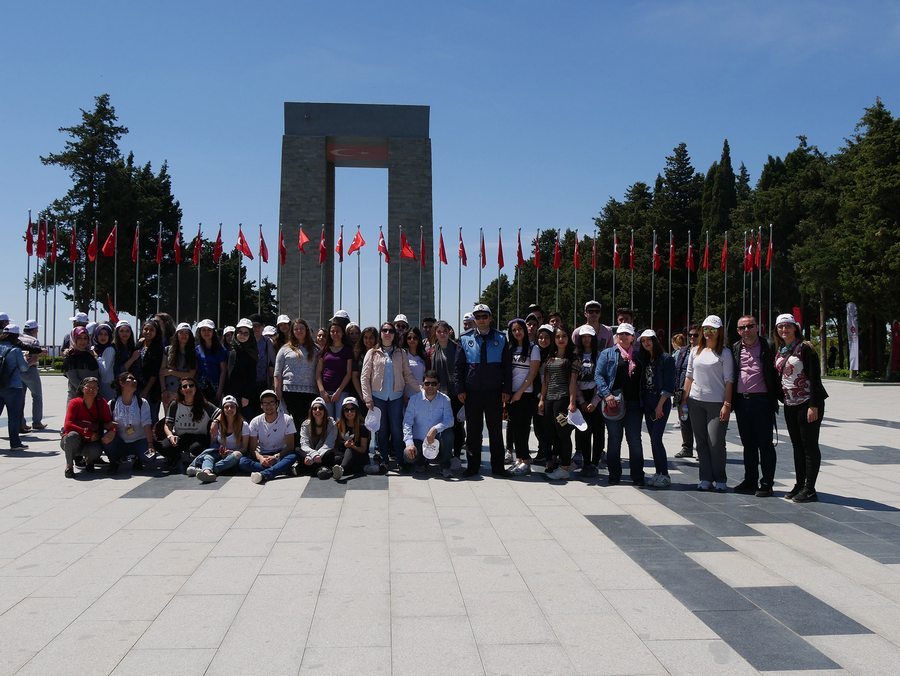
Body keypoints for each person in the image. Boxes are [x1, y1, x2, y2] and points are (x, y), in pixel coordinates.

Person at [774, 313, 828, 503]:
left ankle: (810, 488)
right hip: (790, 404)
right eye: (780, 327)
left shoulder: (805, 348)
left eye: (787, 326)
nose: (784, 330)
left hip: (808, 403)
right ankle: (800, 483)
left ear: (795, 328)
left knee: (809, 445)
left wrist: (813, 405)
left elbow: (815, 378)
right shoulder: (781, 349)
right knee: (797, 446)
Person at [455, 304, 512, 478]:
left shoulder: (501, 338)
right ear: (474, 319)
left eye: (484, 316)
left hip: (494, 392)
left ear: (490, 318)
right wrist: (460, 389)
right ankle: (473, 467)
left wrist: (506, 390)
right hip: (472, 392)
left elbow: (507, 367)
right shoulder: (465, 338)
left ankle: (498, 467)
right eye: (478, 317)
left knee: (495, 430)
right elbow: (459, 367)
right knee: (473, 431)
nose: (481, 320)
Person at [682, 315, 734, 492]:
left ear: (719, 332)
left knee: (716, 442)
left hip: (716, 403)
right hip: (695, 401)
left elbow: (729, 381)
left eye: (712, 329)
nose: (708, 333)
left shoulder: (725, 353)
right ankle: (705, 477)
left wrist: (727, 404)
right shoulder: (695, 351)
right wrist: (683, 400)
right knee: (701, 441)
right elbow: (689, 376)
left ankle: (720, 477)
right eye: (706, 329)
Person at [731, 315, 780, 497]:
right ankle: (750, 480)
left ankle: (767, 482)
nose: (746, 330)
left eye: (750, 326)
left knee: (765, 444)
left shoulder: (768, 346)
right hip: (742, 401)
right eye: (742, 328)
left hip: (762, 401)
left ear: (757, 327)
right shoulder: (735, 348)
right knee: (747, 444)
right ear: (738, 331)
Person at [361, 322, 419, 471]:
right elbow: (365, 376)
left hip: (396, 397)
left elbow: (407, 375)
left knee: (397, 429)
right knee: (382, 430)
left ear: (394, 334)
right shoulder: (372, 353)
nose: (387, 333)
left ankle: (400, 460)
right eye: (384, 330)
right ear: (380, 334)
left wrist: (421, 389)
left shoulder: (401, 353)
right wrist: (367, 398)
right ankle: (384, 460)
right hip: (378, 397)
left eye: (391, 331)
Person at [595, 323, 645, 486]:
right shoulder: (607, 353)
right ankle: (614, 474)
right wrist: (606, 394)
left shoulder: (638, 355)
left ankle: (637, 475)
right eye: (620, 334)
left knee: (635, 440)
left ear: (633, 338)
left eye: (627, 334)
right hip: (614, 401)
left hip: (634, 403)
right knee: (614, 439)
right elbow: (599, 375)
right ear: (616, 336)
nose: (623, 337)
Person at [539, 327, 578, 481]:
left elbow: (573, 382)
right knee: (549, 432)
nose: (560, 339)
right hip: (549, 399)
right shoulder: (550, 358)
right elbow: (546, 381)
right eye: (557, 336)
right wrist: (542, 399)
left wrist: (572, 402)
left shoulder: (572, 359)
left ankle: (566, 465)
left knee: (563, 432)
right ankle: (554, 460)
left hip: (562, 400)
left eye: (564, 336)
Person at [638, 329, 675, 488]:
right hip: (648, 401)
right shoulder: (646, 358)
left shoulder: (666, 359)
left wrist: (660, 405)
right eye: (643, 341)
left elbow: (669, 385)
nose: (646, 343)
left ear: (655, 340)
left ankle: (664, 474)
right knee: (653, 439)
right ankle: (658, 473)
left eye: (649, 340)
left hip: (660, 401)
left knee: (656, 438)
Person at [427, 321, 465, 468]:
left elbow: (462, 370)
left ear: (449, 332)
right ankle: (440, 453)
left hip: (455, 393)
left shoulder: (457, 348)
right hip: (438, 394)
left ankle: (456, 455)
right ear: (435, 333)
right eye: (439, 331)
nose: (442, 334)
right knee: (438, 424)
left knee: (457, 426)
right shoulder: (431, 351)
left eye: (445, 331)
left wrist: (462, 390)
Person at [159, 377, 218, 472]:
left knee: (196, 448)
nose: (188, 388)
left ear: (195, 388)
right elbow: (167, 425)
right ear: (181, 390)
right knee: (164, 446)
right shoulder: (175, 404)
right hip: (181, 436)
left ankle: (196, 461)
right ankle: (176, 457)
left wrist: (215, 422)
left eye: (191, 385)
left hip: (199, 437)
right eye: (184, 386)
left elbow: (221, 414)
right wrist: (170, 436)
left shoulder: (204, 404)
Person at [403, 369, 455, 477]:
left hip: (437, 441)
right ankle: (421, 463)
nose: (430, 386)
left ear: (438, 385)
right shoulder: (414, 400)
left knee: (449, 434)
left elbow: (450, 420)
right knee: (407, 456)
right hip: (419, 441)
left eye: (433, 383)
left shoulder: (445, 400)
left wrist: (435, 429)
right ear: (423, 385)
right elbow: (407, 423)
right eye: (427, 383)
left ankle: (445, 465)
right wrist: (409, 444)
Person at [61, 376, 115, 477]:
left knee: (97, 449)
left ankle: (89, 461)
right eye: (88, 387)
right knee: (71, 436)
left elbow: (109, 422)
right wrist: (87, 433)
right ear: (82, 388)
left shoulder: (101, 403)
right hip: (76, 438)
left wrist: (112, 431)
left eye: (95, 387)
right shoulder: (74, 403)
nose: (91, 390)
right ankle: (69, 466)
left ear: (98, 389)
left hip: (91, 441)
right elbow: (68, 424)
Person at [187, 395, 248, 482]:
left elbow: (244, 448)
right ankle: (207, 472)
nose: (229, 409)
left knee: (237, 454)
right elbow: (213, 444)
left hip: (233, 456)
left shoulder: (244, 425)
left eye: (232, 406)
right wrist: (221, 451)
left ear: (236, 408)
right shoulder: (217, 425)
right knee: (209, 455)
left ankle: (207, 469)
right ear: (223, 410)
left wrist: (229, 452)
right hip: (220, 454)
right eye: (226, 407)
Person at [506, 318, 540, 476]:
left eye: (520, 329)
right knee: (514, 428)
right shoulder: (510, 348)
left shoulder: (533, 348)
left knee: (523, 428)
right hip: (512, 393)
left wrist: (519, 392)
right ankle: (519, 459)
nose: (517, 332)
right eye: (514, 330)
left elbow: (532, 373)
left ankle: (525, 460)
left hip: (525, 394)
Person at [242, 389, 297, 484]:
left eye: (271, 403)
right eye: (265, 403)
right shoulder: (255, 421)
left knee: (293, 456)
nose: (269, 406)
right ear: (261, 405)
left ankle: (264, 474)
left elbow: (290, 446)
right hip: (263, 454)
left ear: (277, 404)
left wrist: (275, 457)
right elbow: (252, 448)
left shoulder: (287, 419)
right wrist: (261, 458)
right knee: (243, 462)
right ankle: (280, 469)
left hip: (280, 454)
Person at [106, 371, 154, 474]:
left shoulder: (142, 402)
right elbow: (106, 423)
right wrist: (111, 427)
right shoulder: (112, 404)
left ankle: (138, 459)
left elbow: (147, 425)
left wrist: (150, 444)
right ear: (121, 383)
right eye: (131, 379)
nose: (134, 381)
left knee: (150, 457)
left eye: (135, 379)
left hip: (139, 440)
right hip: (121, 442)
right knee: (106, 439)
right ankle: (114, 461)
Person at [274, 318, 319, 425]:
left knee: (307, 422)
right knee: (291, 422)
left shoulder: (316, 349)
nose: (299, 331)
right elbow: (277, 372)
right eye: (296, 329)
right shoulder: (284, 349)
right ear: (292, 332)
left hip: (310, 392)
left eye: (301, 328)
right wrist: (277, 390)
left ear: (306, 330)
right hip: (289, 391)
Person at [574, 324, 604, 477]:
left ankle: (595, 461)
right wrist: (582, 401)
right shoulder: (576, 356)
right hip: (582, 398)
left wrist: (595, 400)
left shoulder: (600, 355)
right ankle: (586, 462)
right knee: (584, 431)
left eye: (589, 337)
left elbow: (603, 378)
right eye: (583, 337)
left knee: (598, 431)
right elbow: (574, 381)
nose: (586, 340)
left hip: (597, 397)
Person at [0, 325, 30, 451]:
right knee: (13, 416)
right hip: (14, 387)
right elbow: (24, 368)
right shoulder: (15, 350)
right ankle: (15, 443)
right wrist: (26, 359)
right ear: (16, 336)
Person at [315, 320, 354, 418]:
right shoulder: (324, 350)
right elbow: (318, 372)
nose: (335, 333)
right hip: (326, 391)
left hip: (342, 391)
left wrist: (339, 391)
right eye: (332, 331)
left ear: (342, 333)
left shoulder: (348, 350)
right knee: (327, 421)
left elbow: (349, 373)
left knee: (340, 420)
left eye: (338, 331)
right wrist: (322, 391)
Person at [296, 396, 338, 479]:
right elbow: (304, 444)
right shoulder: (305, 424)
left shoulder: (332, 424)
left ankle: (308, 469)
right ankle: (321, 469)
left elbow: (329, 444)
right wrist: (313, 455)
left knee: (331, 455)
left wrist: (316, 456)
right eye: (314, 408)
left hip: (323, 453)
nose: (317, 410)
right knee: (297, 450)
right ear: (311, 411)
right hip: (310, 454)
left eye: (320, 408)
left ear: (325, 411)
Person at [674, 325, 699, 458]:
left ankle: (701, 449)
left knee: (699, 423)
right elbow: (677, 370)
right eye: (690, 335)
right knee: (684, 420)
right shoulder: (683, 351)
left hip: (698, 392)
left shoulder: (705, 351)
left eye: (695, 335)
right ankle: (687, 447)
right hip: (682, 391)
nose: (692, 338)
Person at [226, 318, 258, 419]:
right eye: (240, 332)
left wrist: (246, 395)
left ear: (250, 335)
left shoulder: (251, 352)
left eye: (246, 333)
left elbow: (252, 376)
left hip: (245, 396)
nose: (242, 335)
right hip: (230, 392)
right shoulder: (232, 349)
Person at [160, 323, 197, 411]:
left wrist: (171, 372)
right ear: (177, 335)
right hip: (169, 391)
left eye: (186, 333)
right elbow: (162, 372)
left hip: (186, 392)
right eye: (181, 333)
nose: (184, 335)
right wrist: (163, 390)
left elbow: (191, 374)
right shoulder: (167, 350)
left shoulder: (193, 352)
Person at [18, 320, 47, 432]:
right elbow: (34, 357)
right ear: (34, 330)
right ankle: (37, 422)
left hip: (18, 370)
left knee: (20, 397)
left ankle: (21, 422)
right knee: (37, 396)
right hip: (30, 369)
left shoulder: (18, 339)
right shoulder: (34, 340)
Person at [333, 397, 370, 478]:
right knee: (335, 458)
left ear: (356, 411)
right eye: (346, 410)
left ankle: (342, 469)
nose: (349, 412)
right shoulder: (339, 425)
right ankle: (352, 469)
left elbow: (363, 449)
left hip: (359, 455)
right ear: (343, 411)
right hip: (343, 456)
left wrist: (352, 446)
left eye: (352, 409)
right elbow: (335, 445)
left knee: (350, 450)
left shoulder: (363, 427)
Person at [137, 319, 164, 423]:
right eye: (146, 329)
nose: (148, 332)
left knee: (151, 417)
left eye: (151, 330)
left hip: (151, 389)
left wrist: (146, 390)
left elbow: (155, 372)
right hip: (138, 385)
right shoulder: (140, 344)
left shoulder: (158, 348)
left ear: (156, 332)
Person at [195, 319, 228, 404]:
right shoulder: (197, 349)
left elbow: (223, 370)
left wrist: (220, 390)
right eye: (203, 330)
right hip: (200, 387)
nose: (206, 332)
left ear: (213, 332)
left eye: (209, 330)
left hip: (215, 387)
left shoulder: (220, 349)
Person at [63, 326, 100, 401]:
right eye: (79, 338)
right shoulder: (70, 357)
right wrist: (89, 391)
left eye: (85, 338)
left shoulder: (91, 355)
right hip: (76, 398)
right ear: (74, 339)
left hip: (92, 397)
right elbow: (74, 380)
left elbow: (97, 375)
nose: (83, 341)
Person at [92, 323, 117, 400]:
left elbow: (103, 371)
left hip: (107, 385)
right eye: (100, 334)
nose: (103, 337)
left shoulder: (110, 349)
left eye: (106, 334)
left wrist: (95, 357)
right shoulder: (95, 348)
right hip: (98, 384)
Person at [403, 327, 428, 398]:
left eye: (415, 338)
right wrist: (403, 395)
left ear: (419, 339)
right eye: (409, 338)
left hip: (420, 395)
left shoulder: (423, 356)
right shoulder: (403, 354)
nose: (412, 340)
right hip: (406, 397)